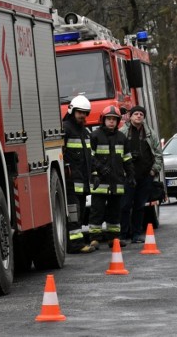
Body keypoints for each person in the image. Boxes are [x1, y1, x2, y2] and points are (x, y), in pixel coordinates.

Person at [89, 106, 135, 249]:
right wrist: (99, 169)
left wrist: (131, 175)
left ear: (117, 121)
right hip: (100, 182)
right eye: (108, 119)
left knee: (115, 212)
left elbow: (127, 158)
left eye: (114, 119)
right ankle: (94, 239)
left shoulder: (122, 138)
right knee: (97, 211)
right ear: (103, 120)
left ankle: (113, 239)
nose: (111, 122)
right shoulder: (95, 136)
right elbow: (90, 157)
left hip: (117, 182)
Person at [119, 105, 163, 243]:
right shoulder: (123, 133)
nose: (139, 116)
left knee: (139, 206)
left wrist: (153, 171)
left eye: (141, 114)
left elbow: (158, 154)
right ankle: (123, 234)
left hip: (145, 176)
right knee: (125, 205)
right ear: (130, 117)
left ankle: (136, 234)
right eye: (136, 114)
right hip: (128, 176)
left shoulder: (150, 133)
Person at [62, 95, 96, 254]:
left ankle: (75, 242)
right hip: (70, 182)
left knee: (80, 212)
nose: (83, 116)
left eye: (85, 113)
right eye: (80, 112)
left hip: (83, 182)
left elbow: (90, 157)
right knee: (74, 213)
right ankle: (75, 245)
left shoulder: (86, 132)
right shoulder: (65, 129)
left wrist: (94, 174)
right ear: (72, 111)